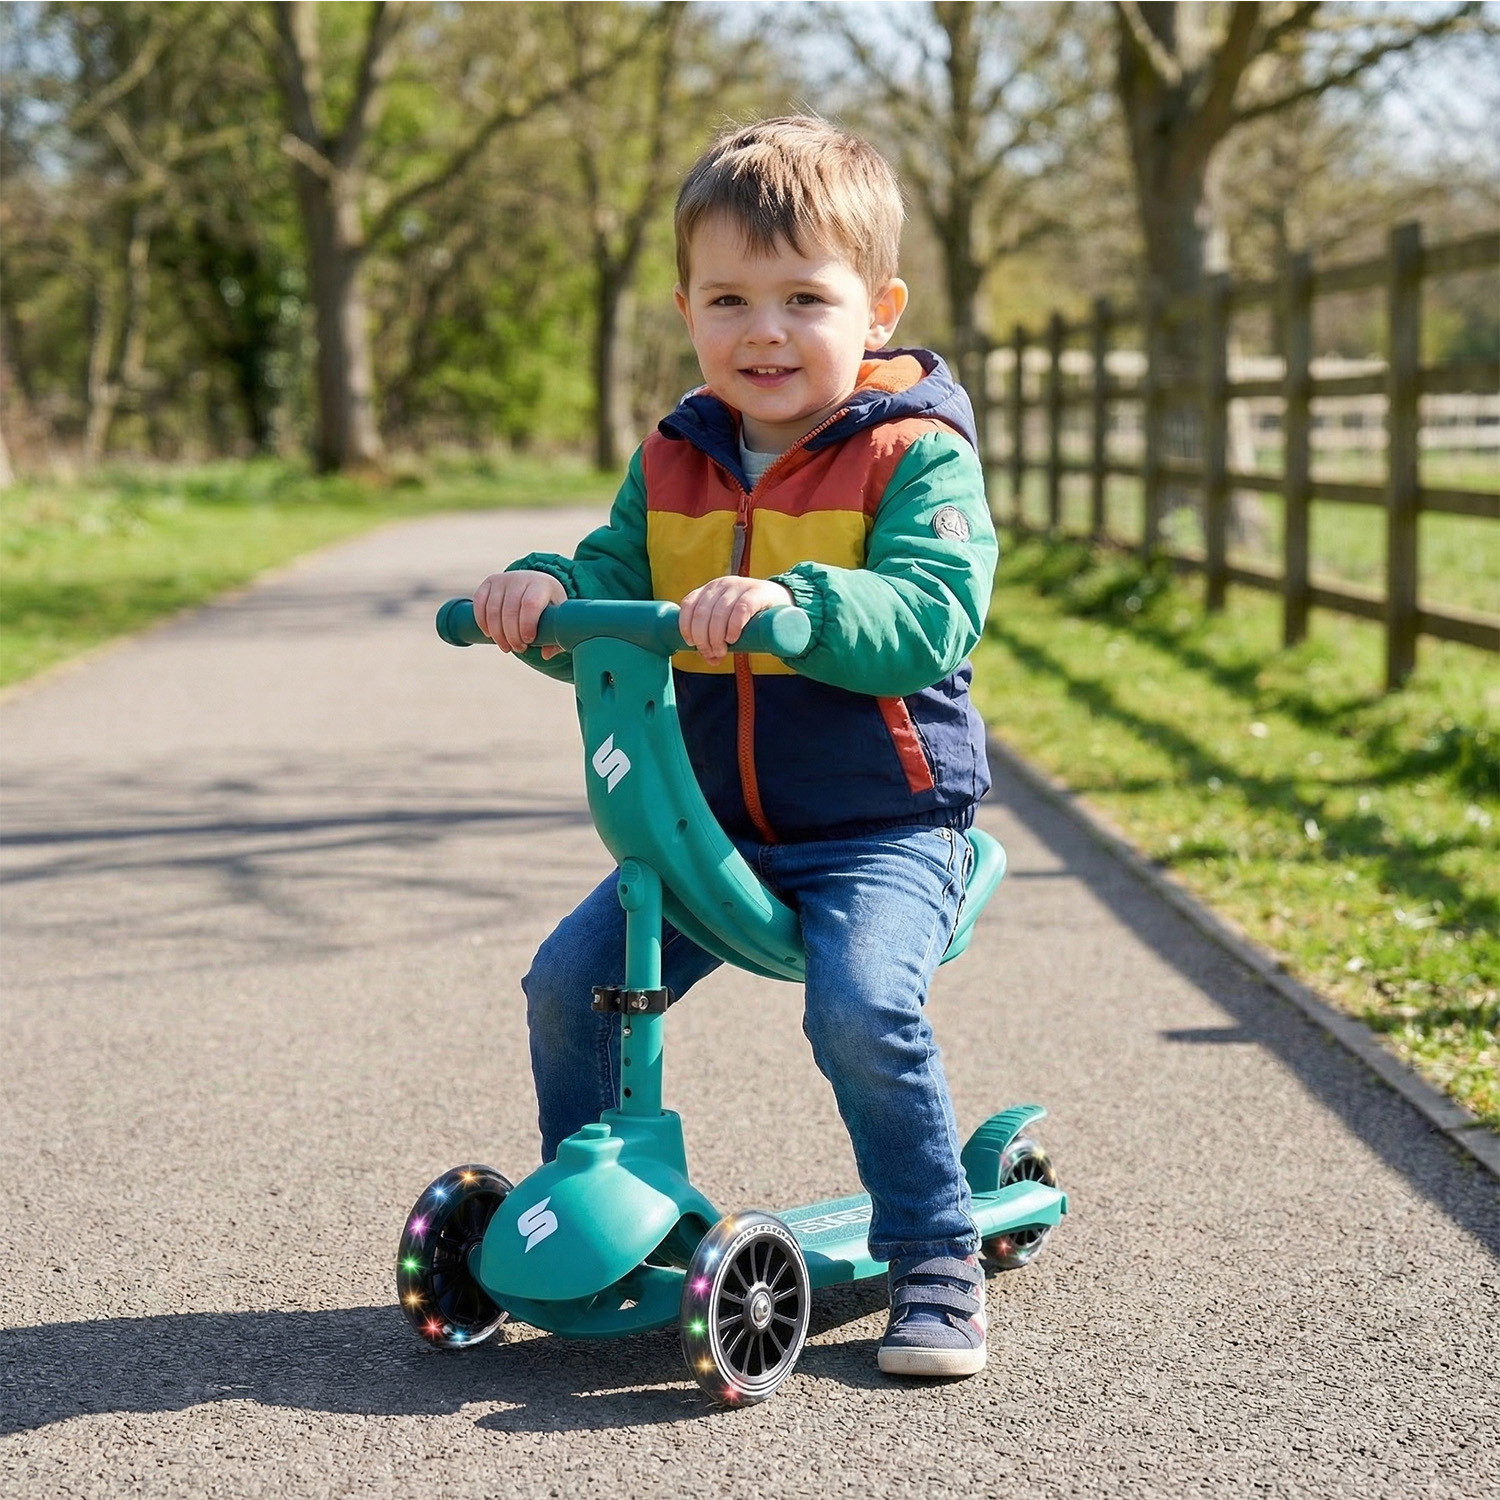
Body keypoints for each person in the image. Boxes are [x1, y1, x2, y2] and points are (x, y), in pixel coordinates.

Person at [470, 115, 999, 1379]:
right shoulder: (674, 460)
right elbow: (606, 581)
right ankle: (612, 1222)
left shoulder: (912, 456)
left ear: (877, 309)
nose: (764, 331)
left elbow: (932, 614)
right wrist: (539, 598)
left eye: (803, 298)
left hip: (883, 825)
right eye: (729, 298)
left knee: (863, 1010)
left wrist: (797, 607)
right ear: (685, 308)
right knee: (567, 986)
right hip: (709, 829)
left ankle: (937, 1257)